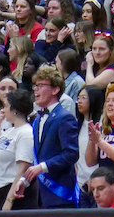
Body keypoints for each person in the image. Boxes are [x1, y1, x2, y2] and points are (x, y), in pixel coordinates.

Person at [22, 66, 80, 208]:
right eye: (35, 85)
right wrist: (25, 180)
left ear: (55, 90)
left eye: (41, 85)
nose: (35, 89)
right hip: (41, 196)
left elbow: (71, 154)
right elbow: (38, 157)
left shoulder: (65, 117)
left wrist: (42, 167)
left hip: (61, 194)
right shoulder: (36, 120)